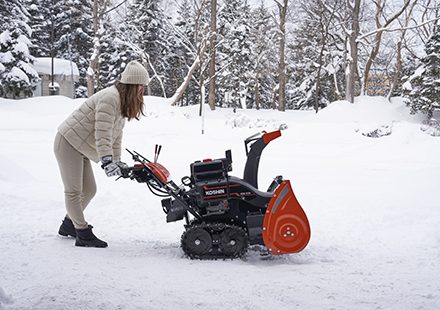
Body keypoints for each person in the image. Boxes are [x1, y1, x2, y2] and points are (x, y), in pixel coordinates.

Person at [54, 60, 148, 248]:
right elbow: (102, 131)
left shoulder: (122, 101)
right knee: (74, 191)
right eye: (141, 86)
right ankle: (83, 233)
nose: (142, 90)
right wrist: (106, 160)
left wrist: (117, 160)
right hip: (68, 142)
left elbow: (116, 133)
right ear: (132, 84)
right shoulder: (110, 98)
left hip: (80, 145)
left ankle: (68, 225)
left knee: (89, 190)